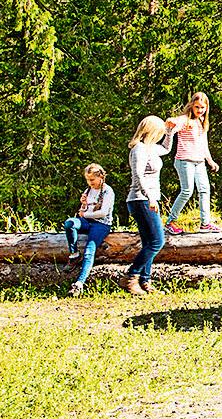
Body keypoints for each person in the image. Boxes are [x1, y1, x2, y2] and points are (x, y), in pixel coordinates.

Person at [123, 115, 175, 295]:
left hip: (147, 200)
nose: (161, 135)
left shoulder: (151, 148)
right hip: (141, 200)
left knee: (148, 242)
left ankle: (145, 281)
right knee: (157, 241)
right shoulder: (139, 149)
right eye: (159, 132)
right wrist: (150, 198)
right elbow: (138, 176)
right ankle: (131, 276)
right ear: (151, 131)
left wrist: (170, 132)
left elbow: (166, 149)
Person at [164, 92, 222, 234]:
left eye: (202, 107)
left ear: (206, 108)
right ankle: (170, 222)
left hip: (199, 162)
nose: (199, 110)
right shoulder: (185, 120)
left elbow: (204, 145)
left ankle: (205, 224)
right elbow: (174, 123)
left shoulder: (202, 121)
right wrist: (170, 124)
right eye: (197, 107)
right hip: (184, 161)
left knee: (205, 189)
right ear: (191, 106)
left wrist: (210, 161)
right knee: (187, 191)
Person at [62, 163, 114, 297]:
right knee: (69, 223)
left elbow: (103, 213)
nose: (90, 182)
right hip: (87, 221)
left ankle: (79, 283)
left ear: (101, 177)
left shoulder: (108, 191)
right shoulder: (88, 190)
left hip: (101, 224)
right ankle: (74, 254)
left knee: (89, 250)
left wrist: (85, 214)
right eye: (87, 180)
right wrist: (84, 205)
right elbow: (83, 211)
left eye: (92, 179)